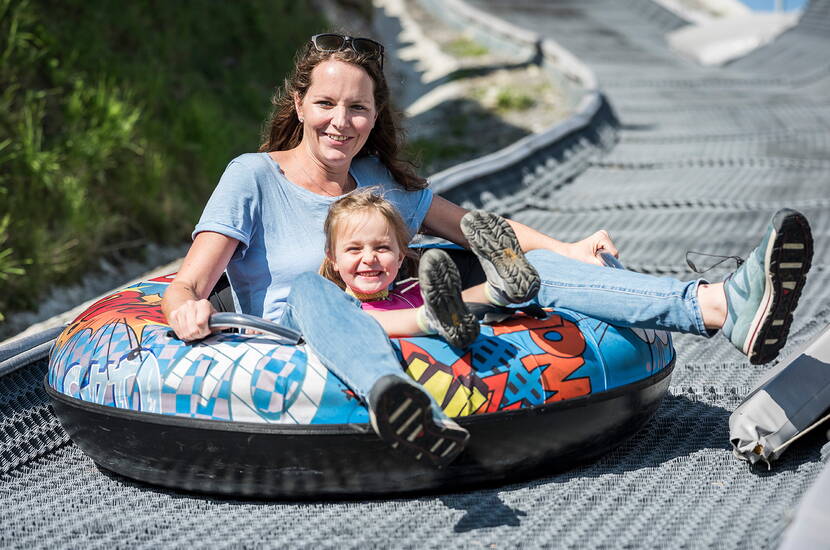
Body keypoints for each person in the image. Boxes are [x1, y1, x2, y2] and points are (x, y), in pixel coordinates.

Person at [161, 32, 813, 469]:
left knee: (521, 274)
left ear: (374, 116)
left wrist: (566, 249)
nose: (342, 122)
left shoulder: (378, 185)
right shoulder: (253, 176)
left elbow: (477, 229)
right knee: (311, 292)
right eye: (327, 103)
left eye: (358, 109)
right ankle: (393, 399)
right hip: (301, 345)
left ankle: (720, 306)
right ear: (299, 103)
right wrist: (186, 308)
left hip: (403, 322)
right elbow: (187, 285)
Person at [317, 188, 541, 348]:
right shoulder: (340, 308)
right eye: (354, 249)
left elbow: (459, 307)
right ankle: (436, 317)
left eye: (382, 248)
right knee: (430, 312)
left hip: (452, 353)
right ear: (333, 259)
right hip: (405, 365)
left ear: (400, 257)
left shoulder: (414, 291)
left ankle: (499, 289)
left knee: (452, 304)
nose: (369, 258)